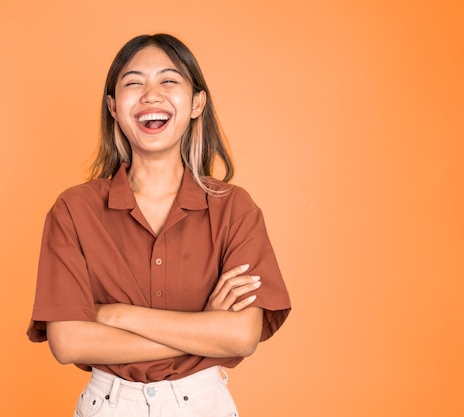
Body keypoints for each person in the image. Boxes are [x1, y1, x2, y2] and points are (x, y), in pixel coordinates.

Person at [27, 33, 291, 417]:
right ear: (113, 107)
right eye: (134, 82)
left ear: (197, 102)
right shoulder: (73, 210)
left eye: (169, 80)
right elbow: (68, 342)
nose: (151, 94)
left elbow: (241, 335)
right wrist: (205, 329)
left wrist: (114, 315)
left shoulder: (235, 209)